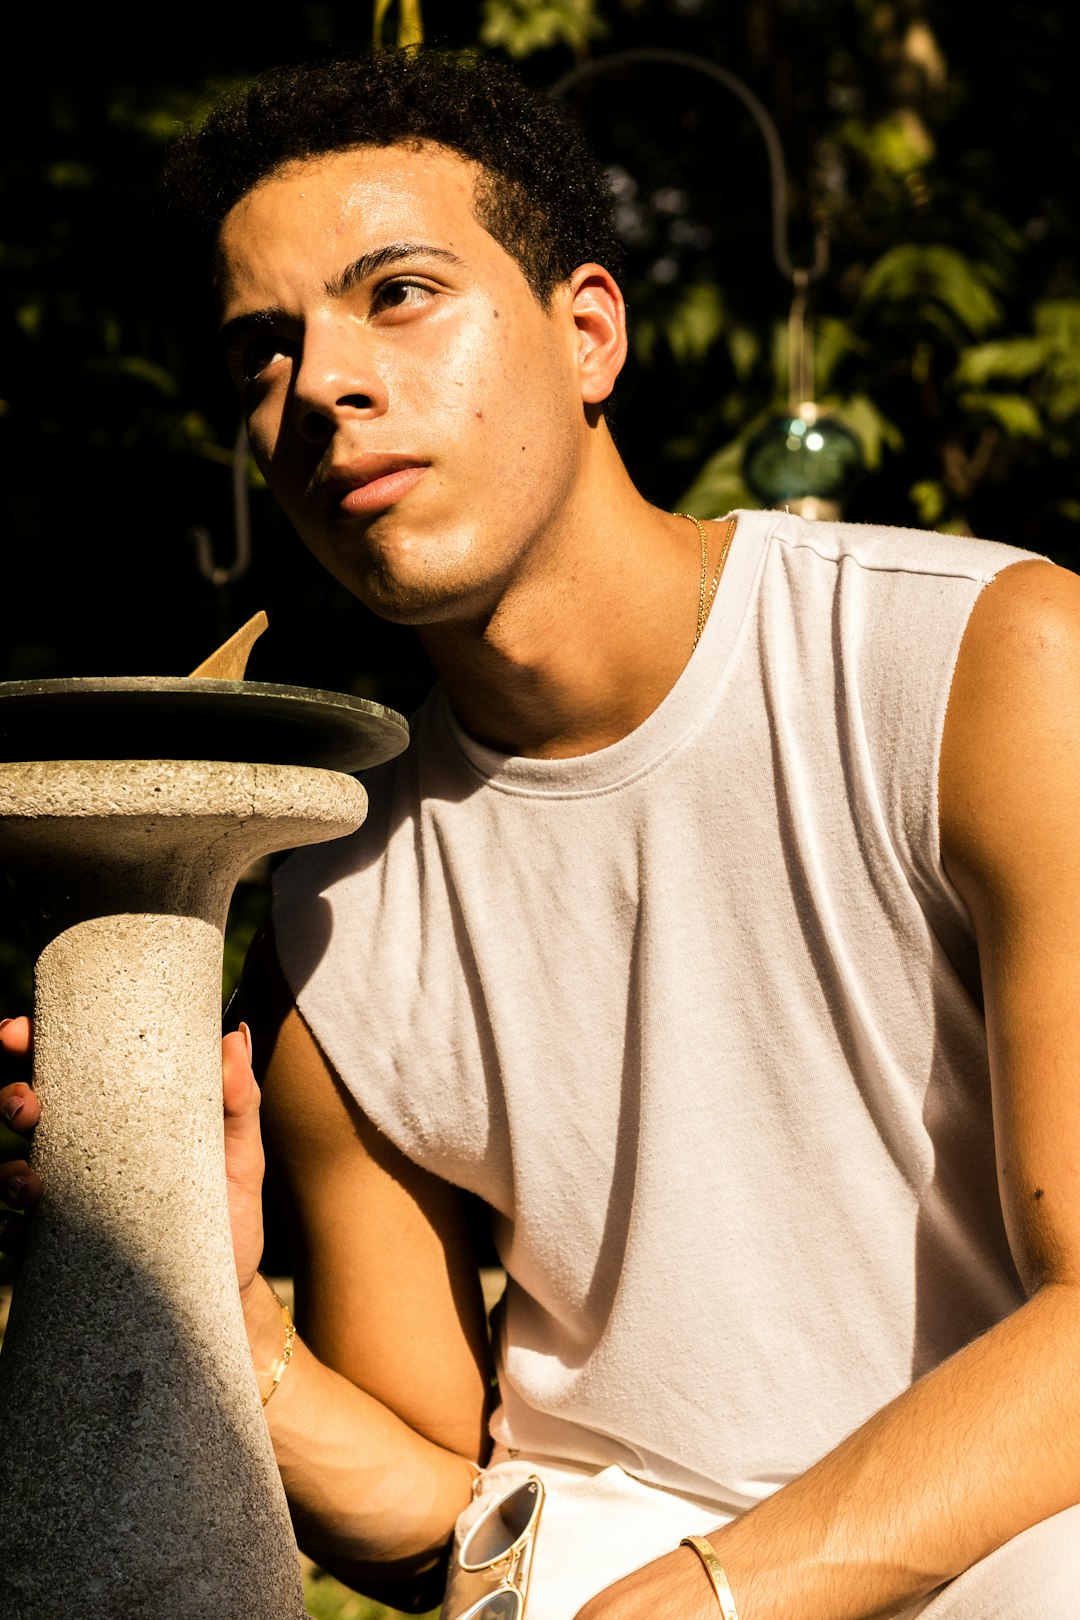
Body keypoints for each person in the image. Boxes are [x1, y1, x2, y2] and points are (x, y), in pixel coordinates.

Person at [3, 45, 1080, 1620]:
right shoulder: (329, 903)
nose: (325, 385)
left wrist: (711, 1597)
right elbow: (444, 1514)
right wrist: (222, 1320)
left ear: (589, 333)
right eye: (262, 353)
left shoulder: (985, 666)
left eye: (401, 293)